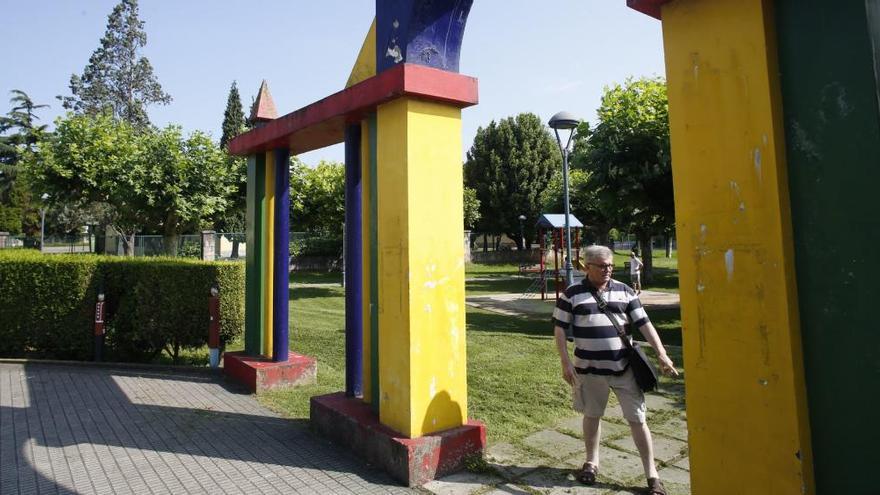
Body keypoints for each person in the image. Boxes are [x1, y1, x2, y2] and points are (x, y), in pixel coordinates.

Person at [552, 245, 678, 495]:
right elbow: (559, 328)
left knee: (638, 419)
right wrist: (565, 362)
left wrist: (662, 354)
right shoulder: (572, 294)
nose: (607, 269)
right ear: (587, 267)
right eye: (601, 265)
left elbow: (644, 324)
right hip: (588, 370)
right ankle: (591, 462)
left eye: (610, 265)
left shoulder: (626, 291)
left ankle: (652, 474)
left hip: (624, 369)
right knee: (592, 415)